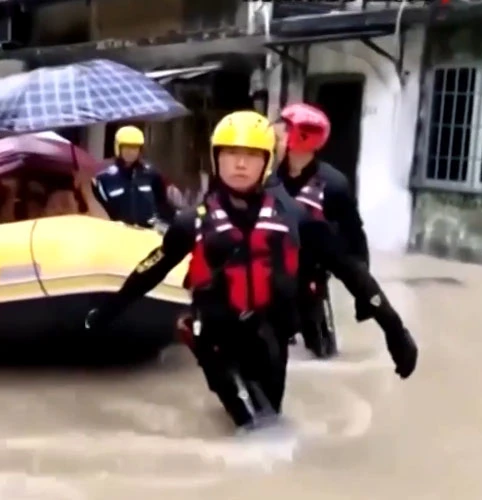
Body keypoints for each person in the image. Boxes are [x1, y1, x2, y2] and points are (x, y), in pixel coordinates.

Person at [84, 110, 417, 430]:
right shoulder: (193, 221)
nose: (240, 164)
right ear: (216, 159)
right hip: (217, 338)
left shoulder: (296, 219)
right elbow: (151, 269)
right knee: (257, 429)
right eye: (230, 153)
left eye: (251, 155)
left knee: (272, 417)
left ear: (267, 161)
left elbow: (349, 269)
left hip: (270, 337)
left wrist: (394, 329)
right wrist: (106, 313)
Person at [270, 102, 372, 358]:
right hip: (275, 269)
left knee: (319, 342)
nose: (275, 136)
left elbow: (353, 233)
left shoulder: (333, 184)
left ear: (301, 137)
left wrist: (364, 290)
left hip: (311, 271)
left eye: (283, 131)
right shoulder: (271, 178)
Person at [92, 125, 175, 227]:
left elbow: (163, 204)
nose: (131, 152)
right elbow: (100, 209)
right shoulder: (105, 178)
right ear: (118, 148)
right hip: (118, 233)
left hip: (148, 232)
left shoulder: (151, 174)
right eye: (127, 147)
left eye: (135, 148)